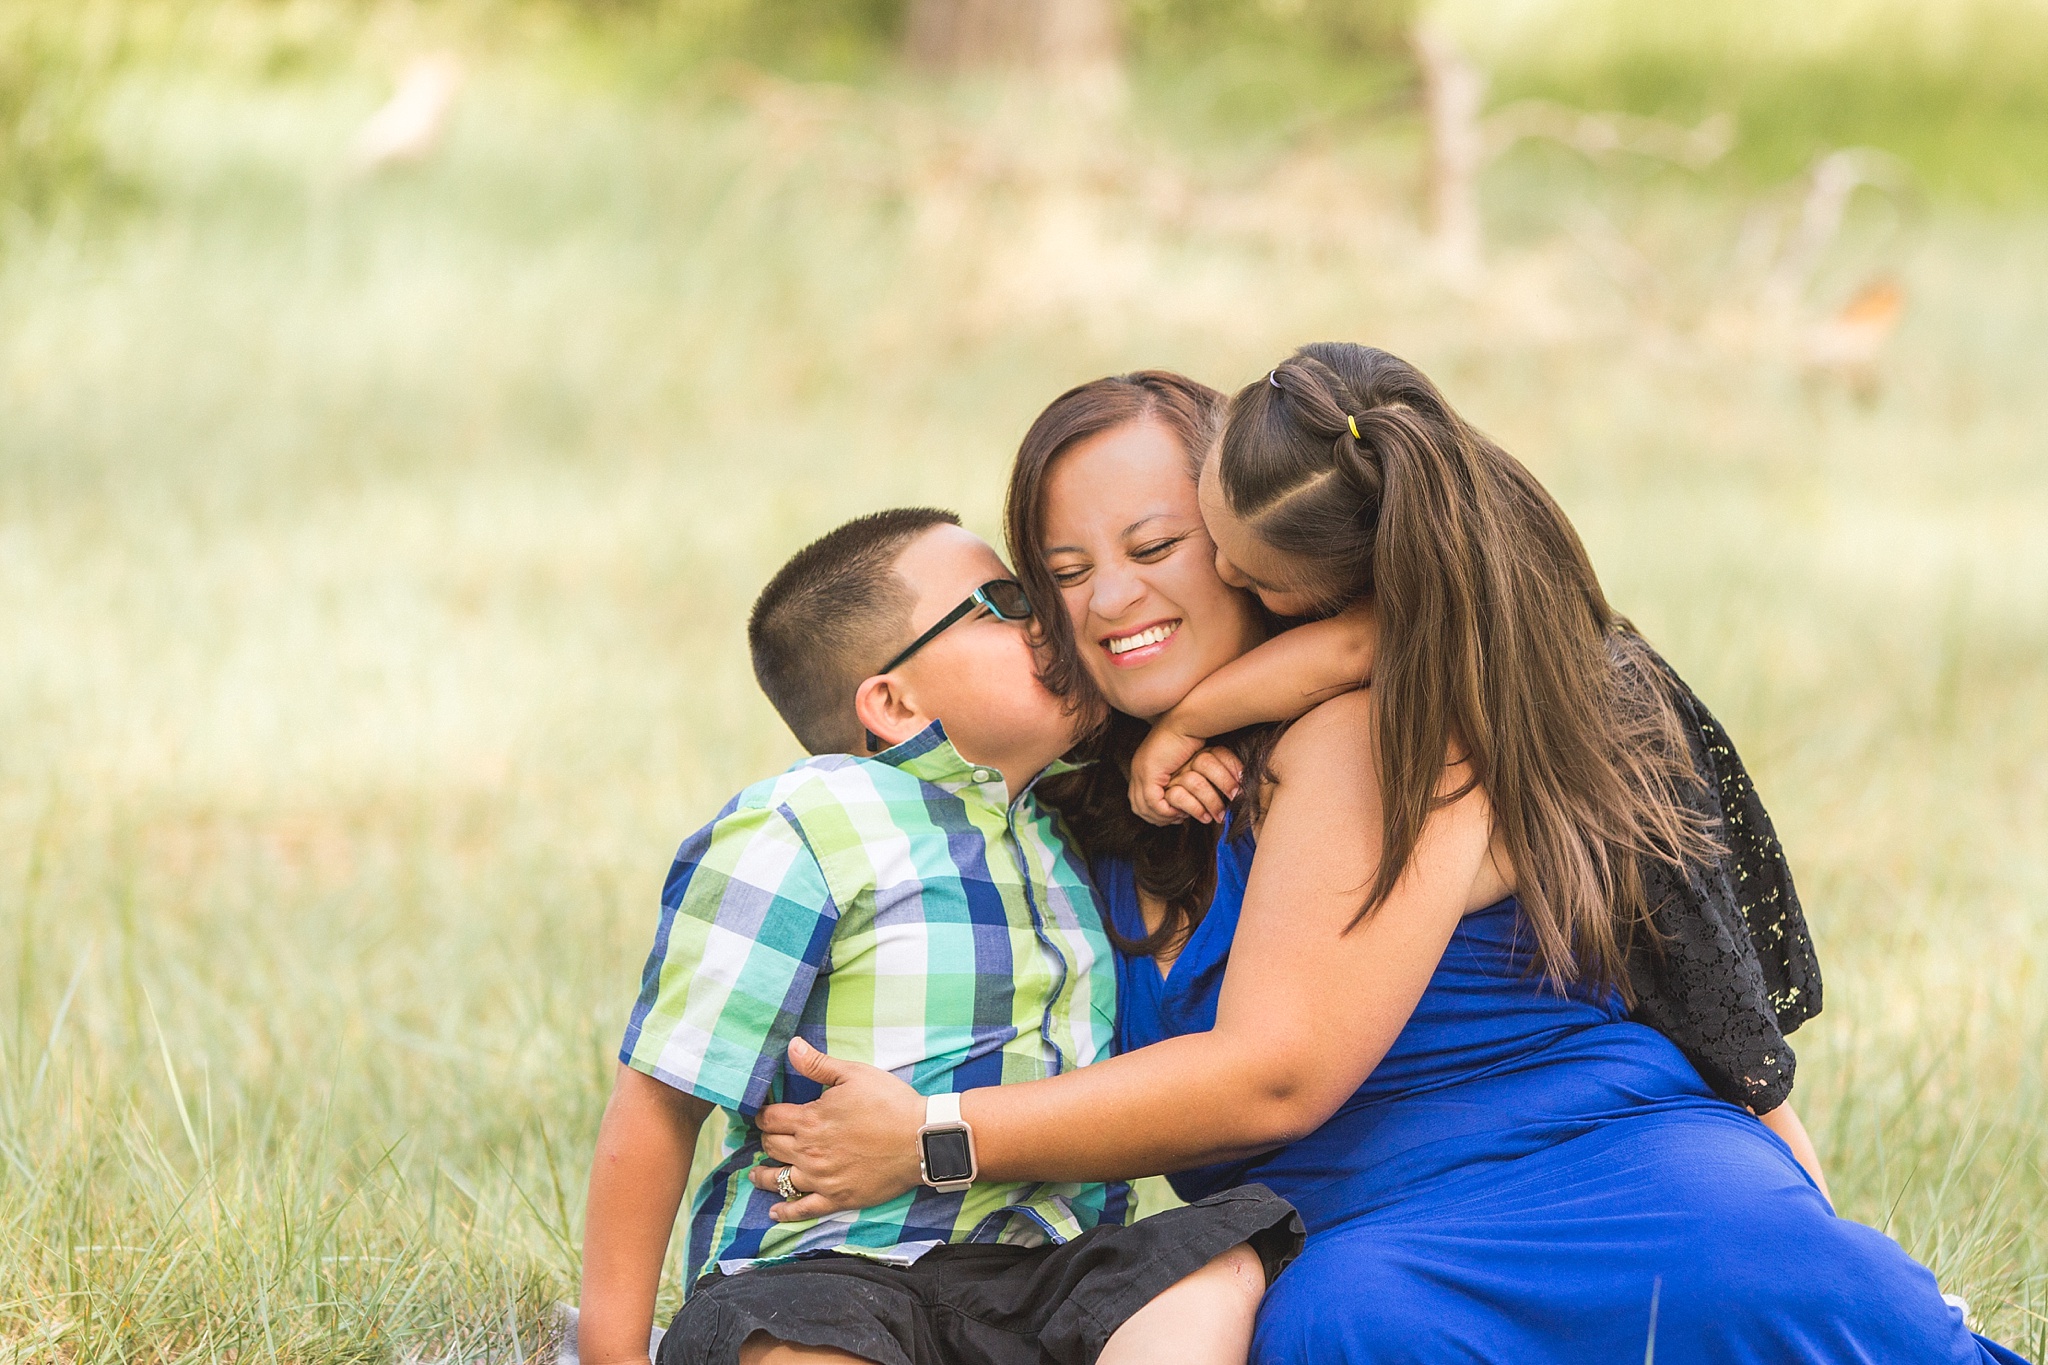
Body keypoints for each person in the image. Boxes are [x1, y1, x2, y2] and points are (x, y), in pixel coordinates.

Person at [736, 356, 2031, 1364]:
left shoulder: (1383, 722)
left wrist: (939, 1139)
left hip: (1598, 1170)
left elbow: (1279, 1076)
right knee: (1344, 1330)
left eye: (1154, 546)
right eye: (1063, 571)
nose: (1112, 599)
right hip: (1357, 1247)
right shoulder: (1076, 813)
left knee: (1718, 1279)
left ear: (1253, 546)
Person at [576, 507, 1301, 1365]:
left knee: (1215, 1256)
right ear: (891, 699)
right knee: (791, 1338)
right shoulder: (806, 821)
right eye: (1005, 601)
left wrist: (1178, 751)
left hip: (1043, 1276)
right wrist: (610, 1354)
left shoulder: (1061, 826)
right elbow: (662, 1101)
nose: (1053, 619)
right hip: (833, 1267)